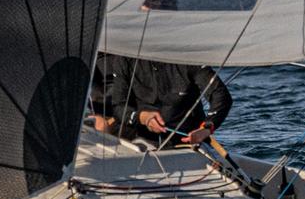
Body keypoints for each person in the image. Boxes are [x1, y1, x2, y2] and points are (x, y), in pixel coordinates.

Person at [88, 52, 232, 148]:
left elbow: (221, 95)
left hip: (189, 143)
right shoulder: (125, 60)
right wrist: (143, 117)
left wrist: (206, 128)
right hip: (143, 141)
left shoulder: (188, 59)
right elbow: (119, 106)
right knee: (100, 126)